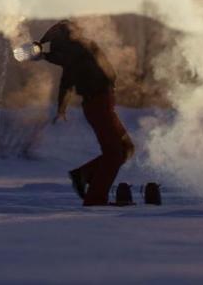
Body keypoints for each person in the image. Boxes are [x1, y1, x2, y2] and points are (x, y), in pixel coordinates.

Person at [27, 19, 134, 206]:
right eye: (72, 30)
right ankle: (95, 199)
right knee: (114, 153)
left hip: (105, 103)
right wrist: (61, 107)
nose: (78, 30)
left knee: (126, 149)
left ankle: (84, 175)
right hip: (97, 105)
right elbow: (66, 82)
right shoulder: (74, 52)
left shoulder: (83, 47)